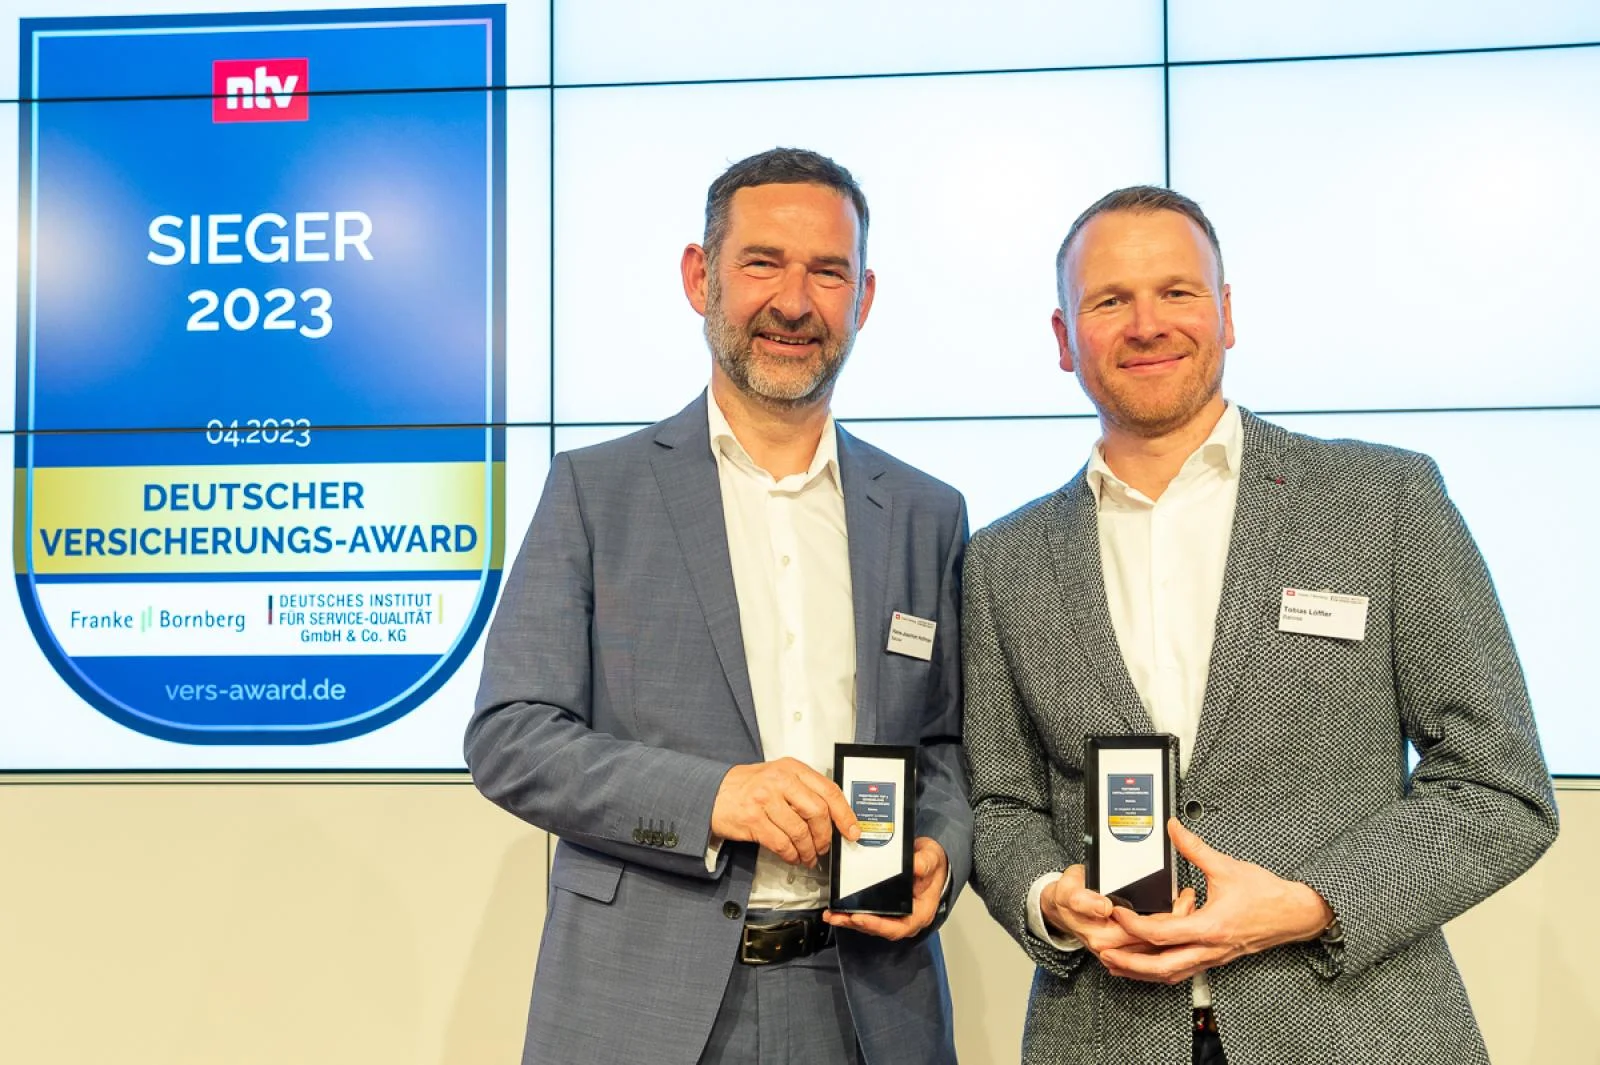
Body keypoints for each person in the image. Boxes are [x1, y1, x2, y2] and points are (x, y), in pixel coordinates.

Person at [962, 185, 1558, 1064]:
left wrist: (1313, 901)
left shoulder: (1382, 501)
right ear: (1063, 337)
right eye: (1110, 300)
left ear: (1227, 312)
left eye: (1177, 291)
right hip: (1104, 1033)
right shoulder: (1003, 559)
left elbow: (1501, 784)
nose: (1147, 324)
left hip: (1358, 1029)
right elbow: (1001, 803)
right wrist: (1047, 895)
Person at [467, 147, 971, 1065]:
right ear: (701, 277)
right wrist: (715, 795)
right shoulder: (596, 492)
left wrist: (941, 844)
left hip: (868, 1008)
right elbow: (511, 737)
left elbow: (943, 747)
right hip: (640, 1006)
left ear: (863, 298)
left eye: (829, 272)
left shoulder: (925, 513)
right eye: (762, 263)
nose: (794, 302)